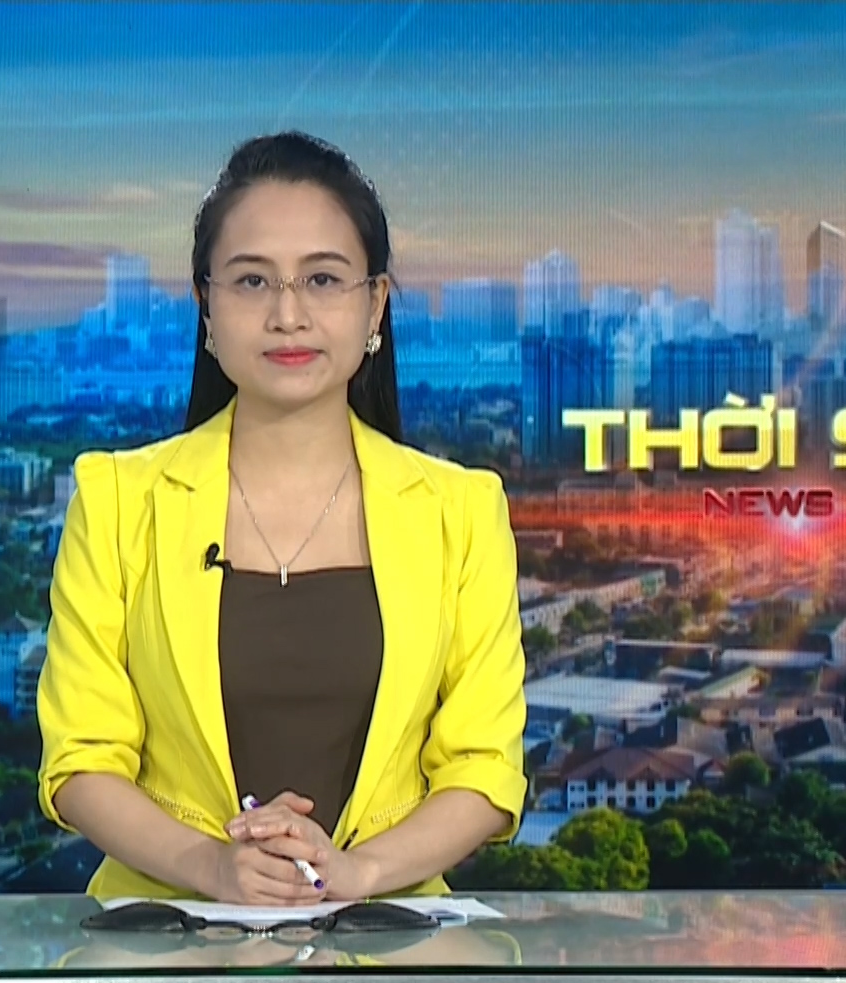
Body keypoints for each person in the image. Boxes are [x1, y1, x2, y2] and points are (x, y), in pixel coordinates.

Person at [36, 131, 527, 906]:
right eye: (252, 281)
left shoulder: (461, 512)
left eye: (323, 279)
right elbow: (82, 758)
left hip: (389, 943)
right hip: (168, 939)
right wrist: (211, 867)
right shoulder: (117, 501)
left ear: (375, 304)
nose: (288, 314)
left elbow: (485, 769)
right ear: (206, 307)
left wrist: (357, 873)